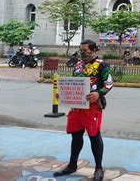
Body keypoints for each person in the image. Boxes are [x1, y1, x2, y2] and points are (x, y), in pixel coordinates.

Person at [53, 40, 113, 180]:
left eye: (86, 51)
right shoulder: (78, 65)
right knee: (75, 135)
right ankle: (72, 165)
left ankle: (98, 168)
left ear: (94, 51)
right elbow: (74, 84)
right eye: (82, 51)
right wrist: (63, 94)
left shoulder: (101, 65)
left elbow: (109, 83)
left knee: (94, 136)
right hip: (77, 107)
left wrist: (99, 93)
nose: (84, 54)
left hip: (92, 107)